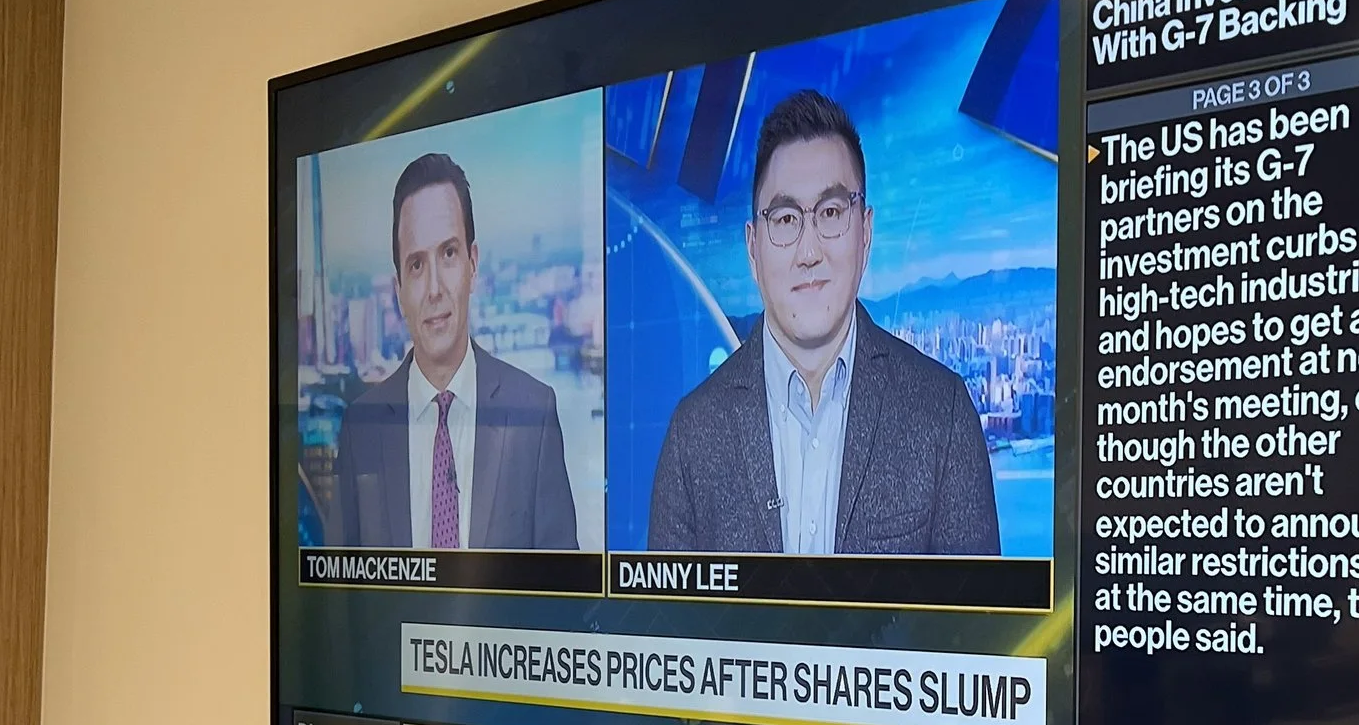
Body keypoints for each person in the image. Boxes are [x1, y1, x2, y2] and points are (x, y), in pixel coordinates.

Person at [647, 89, 1000, 556]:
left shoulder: (943, 414)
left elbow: (979, 625)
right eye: (786, 218)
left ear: (866, 233)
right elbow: (664, 628)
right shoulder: (693, 432)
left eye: (831, 213)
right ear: (753, 249)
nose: (809, 252)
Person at [331, 152, 578, 550]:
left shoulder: (534, 413)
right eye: (415, 265)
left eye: (448, 253)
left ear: (472, 265)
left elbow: (564, 601)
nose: (433, 289)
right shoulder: (362, 429)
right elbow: (335, 601)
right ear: (398, 292)